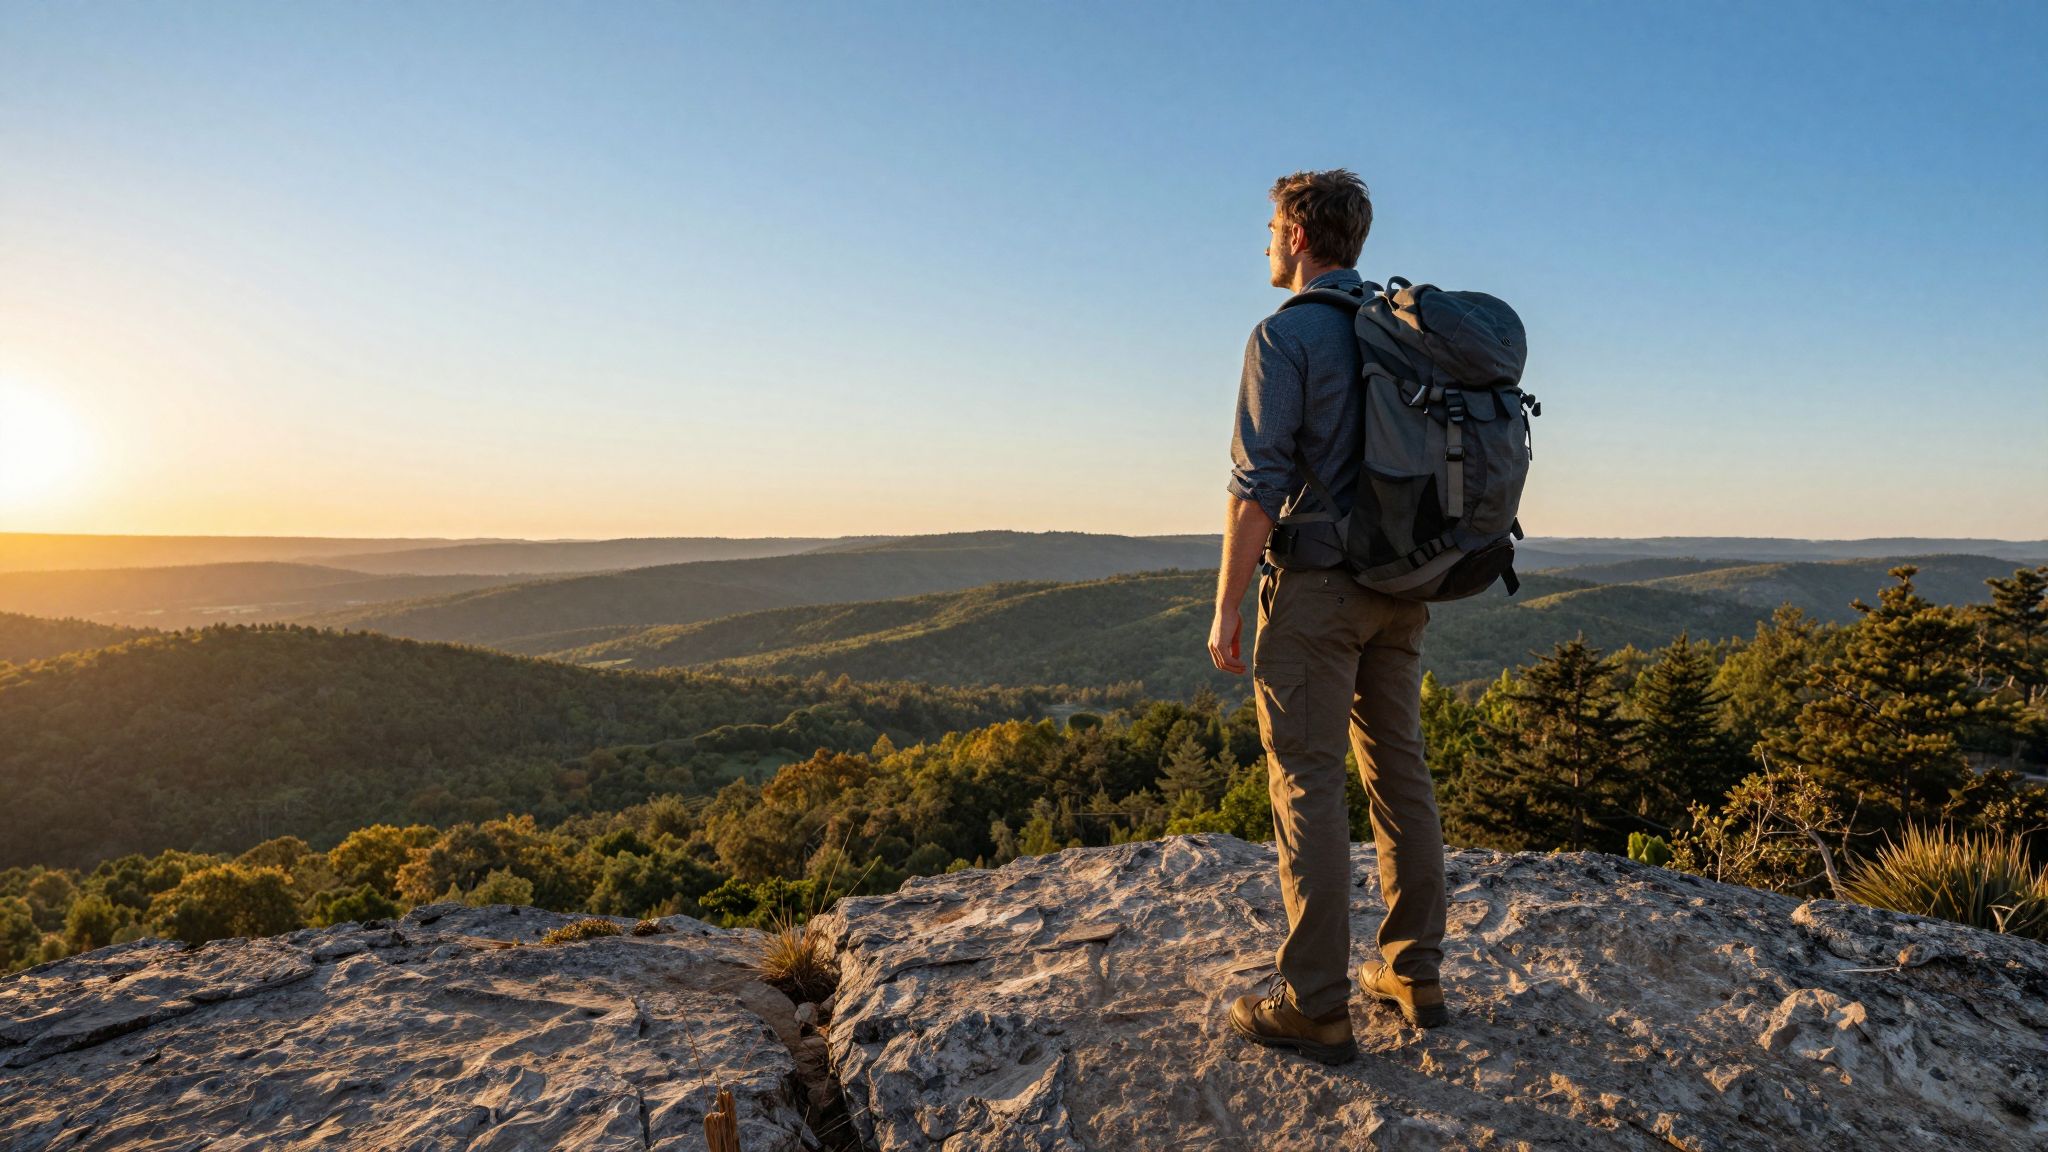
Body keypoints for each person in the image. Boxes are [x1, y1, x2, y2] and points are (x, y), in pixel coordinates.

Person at [1209, 169, 1449, 1066]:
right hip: (1403, 586)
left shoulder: (1286, 336)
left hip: (1316, 589)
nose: (1266, 243)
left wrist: (1228, 604)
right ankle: (1414, 971)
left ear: (1301, 237)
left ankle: (1316, 1002)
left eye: (1272, 227)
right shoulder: (1399, 332)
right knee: (1400, 770)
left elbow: (1257, 485)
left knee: (1307, 781)